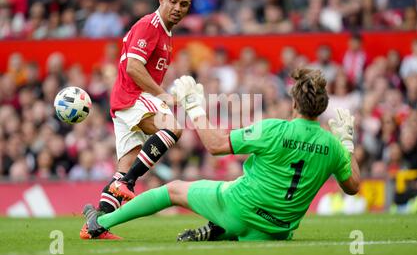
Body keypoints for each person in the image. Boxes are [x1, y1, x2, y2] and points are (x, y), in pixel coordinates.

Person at [80, 69, 360, 241]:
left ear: (294, 102)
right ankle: (219, 231)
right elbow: (352, 187)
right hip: (278, 230)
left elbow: (215, 146)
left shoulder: (274, 129)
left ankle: (100, 222)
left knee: (173, 190)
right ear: (322, 107)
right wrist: (347, 142)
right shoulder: (332, 145)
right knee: (238, 198)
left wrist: (193, 106)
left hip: (240, 208)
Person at [80, 0, 192, 239]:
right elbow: (133, 67)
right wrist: (162, 95)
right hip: (132, 96)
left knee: (126, 164)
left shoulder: (166, 32)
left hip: (126, 101)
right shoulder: (149, 26)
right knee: (173, 127)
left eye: (183, 4)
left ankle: (96, 225)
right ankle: (126, 183)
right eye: (172, 1)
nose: (177, 8)